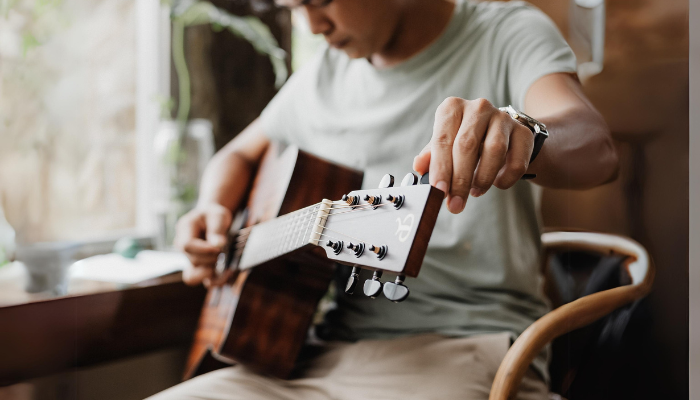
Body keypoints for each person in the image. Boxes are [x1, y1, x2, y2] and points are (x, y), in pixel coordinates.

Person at [150, 0, 617, 398]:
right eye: (291, 7)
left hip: (467, 346)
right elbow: (236, 155)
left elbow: (595, 148)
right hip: (310, 357)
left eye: (320, 0)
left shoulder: (505, 31)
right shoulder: (323, 78)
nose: (312, 26)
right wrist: (212, 207)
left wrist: (523, 135)